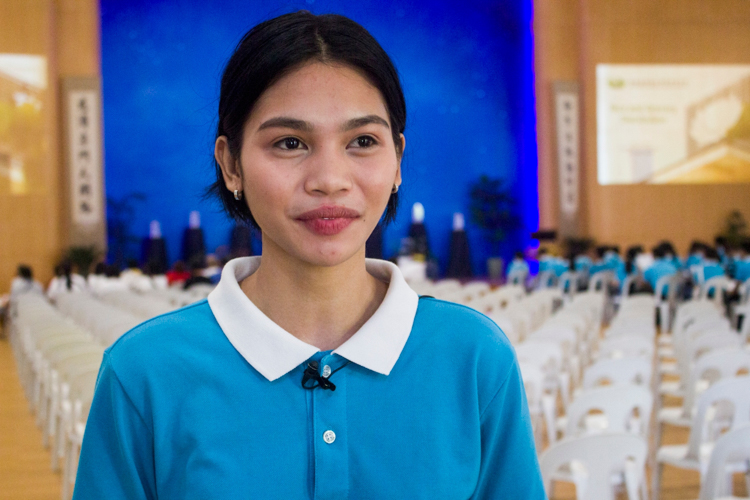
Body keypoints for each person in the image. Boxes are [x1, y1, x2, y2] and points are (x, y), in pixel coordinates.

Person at [73, 11, 544, 499]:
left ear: (398, 160)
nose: (329, 178)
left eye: (362, 141)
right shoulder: (144, 371)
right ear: (230, 164)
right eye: (290, 143)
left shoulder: (472, 358)